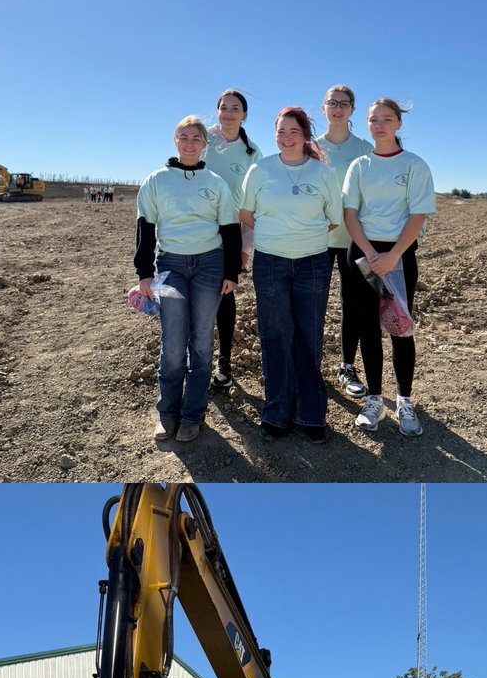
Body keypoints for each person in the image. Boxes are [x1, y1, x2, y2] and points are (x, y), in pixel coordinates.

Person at [134, 116, 241, 443]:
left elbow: (230, 230)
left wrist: (231, 272)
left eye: (197, 138)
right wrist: (145, 274)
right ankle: (167, 413)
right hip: (171, 266)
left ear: (204, 144)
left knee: (202, 342)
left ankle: (193, 414)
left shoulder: (216, 182)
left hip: (210, 265)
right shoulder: (156, 181)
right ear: (175, 141)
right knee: (173, 342)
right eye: (184, 137)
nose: (190, 143)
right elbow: (145, 229)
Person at [239, 106, 343, 444]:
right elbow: (247, 213)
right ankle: (276, 412)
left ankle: (311, 414)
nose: (286, 138)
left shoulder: (322, 174)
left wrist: (303, 236)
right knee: (275, 334)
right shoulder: (260, 170)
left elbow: (332, 218)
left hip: (313, 262)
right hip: (270, 262)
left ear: (305, 135)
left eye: (293, 132)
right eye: (281, 132)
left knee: (309, 335)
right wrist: (276, 236)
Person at [342, 99, 435, 437]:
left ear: (398, 124)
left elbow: (417, 215)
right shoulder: (359, 166)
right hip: (364, 254)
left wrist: (394, 255)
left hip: (399, 255)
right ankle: (374, 399)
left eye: (386, 119)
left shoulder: (414, 165)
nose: (379, 125)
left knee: (400, 328)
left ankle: (405, 401)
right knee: (367, 327)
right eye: (373, 120)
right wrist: (369, 252)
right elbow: (350, 214)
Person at [315, 85, 374, 403]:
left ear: (352, 110)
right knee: (314, 305)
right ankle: (311, 368)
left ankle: (347, 368)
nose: (337, 108)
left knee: (353, 304)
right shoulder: (311, 147)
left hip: (354, 239)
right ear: (323, 107)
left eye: (343, 103)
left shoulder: (365, 149)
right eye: (331, 103)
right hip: (316, 240)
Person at [204, 89, 265, 391]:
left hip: (231, 236)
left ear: (245, 115)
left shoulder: (253, 152)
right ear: (217, 111)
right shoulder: (201, 141)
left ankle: (224, 360)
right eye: (223, 107)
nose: (228, 113)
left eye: (235, 108)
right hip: (196, 234)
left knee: (225, 295)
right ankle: (196, 359)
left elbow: (255, 203)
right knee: (195, 296)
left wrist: (245, 246)